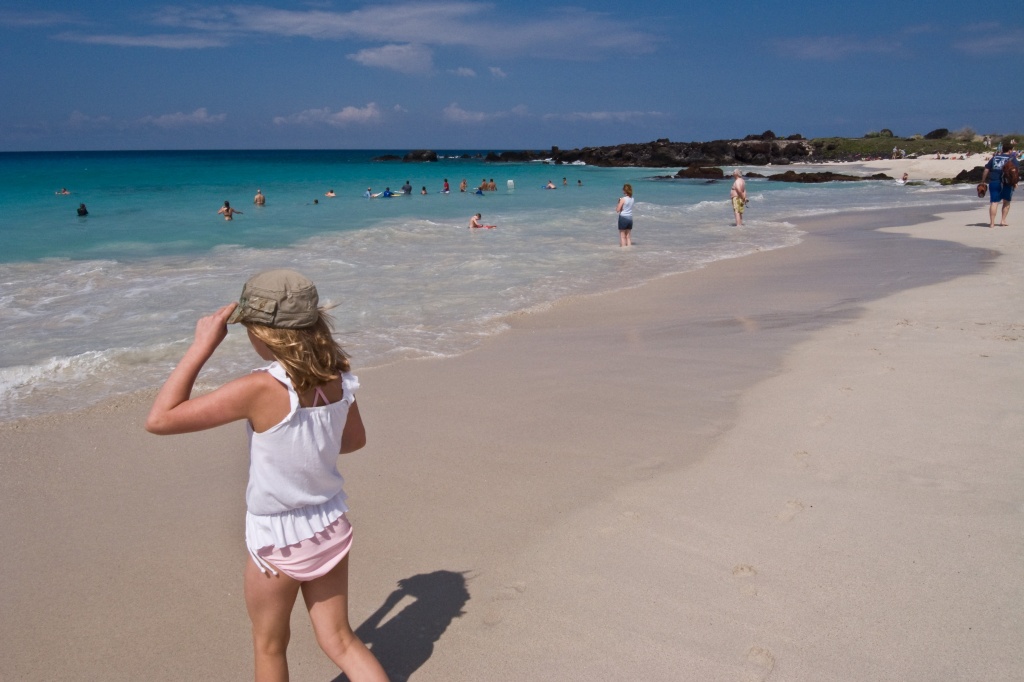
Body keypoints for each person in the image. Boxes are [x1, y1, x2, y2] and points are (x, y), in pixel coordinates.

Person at [145, 270, 389, 682]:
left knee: (270, 645)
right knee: (340, 640)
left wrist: (201, 346)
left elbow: (160, 419)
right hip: (330, 524)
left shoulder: (258, 389)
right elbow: (354, 441)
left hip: (277, 540)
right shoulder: (338, 374)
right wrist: (312, 440)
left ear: (265, 333)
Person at [981, 140, 1019, 228]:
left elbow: (986, 169)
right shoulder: (1012, 159)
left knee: (994, 202)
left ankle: (992, 223)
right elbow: (1016, 172)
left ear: (1002, 149)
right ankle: (1003, 220)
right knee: (1006, 202)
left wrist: (983, 181)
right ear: (1010, 150)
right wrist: (1015, 182)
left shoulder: (994, 158)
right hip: (1007, 183)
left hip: (994, 182)